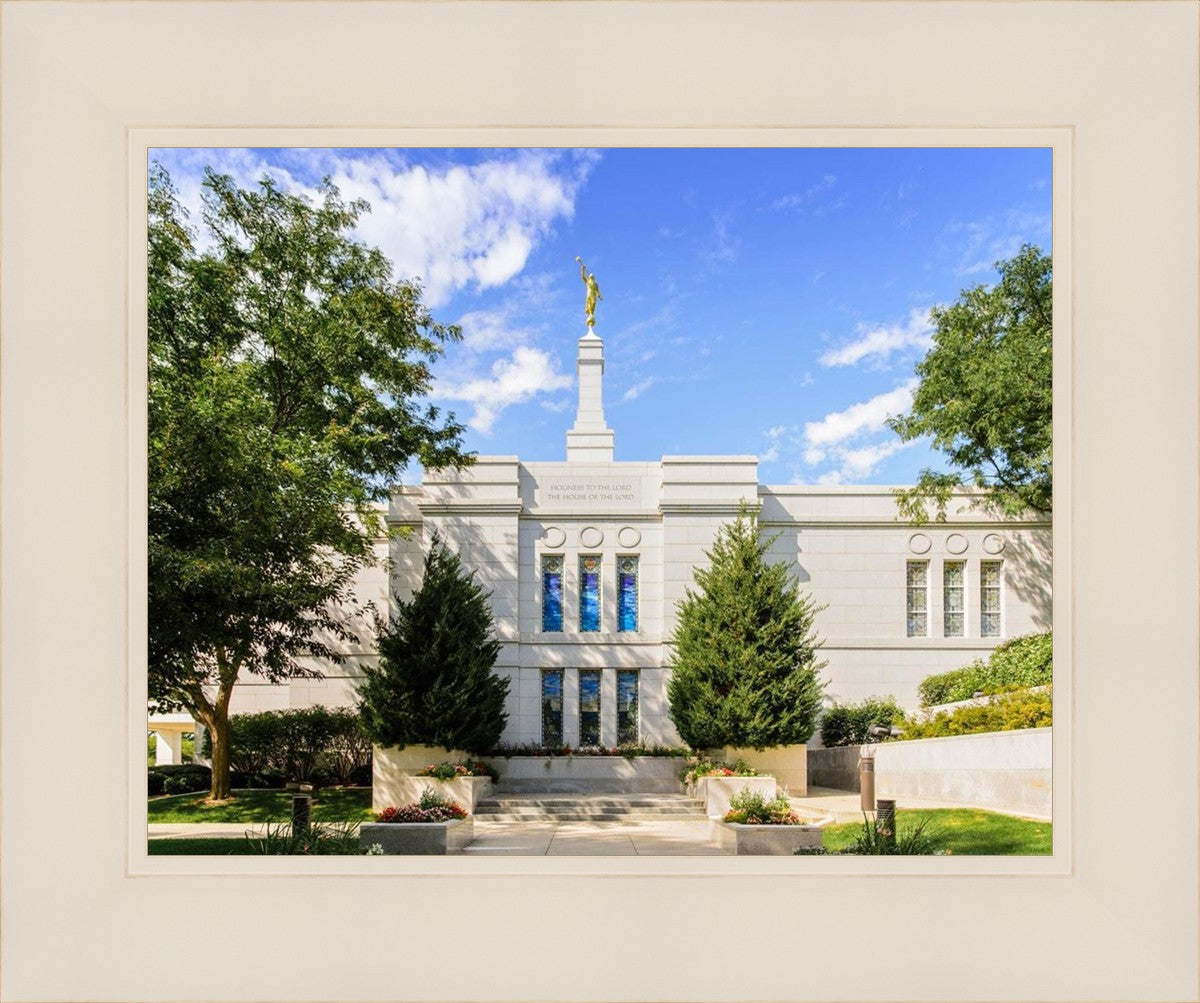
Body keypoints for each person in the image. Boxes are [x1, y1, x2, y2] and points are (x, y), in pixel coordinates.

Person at [575, 256, 602, 328]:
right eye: (591, 276)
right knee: (590, 303)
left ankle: (591, 314)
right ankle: (590, 313)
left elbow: (597, 291)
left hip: (593, 294)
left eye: (592, 277)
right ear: (589, 277)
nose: (591, 277)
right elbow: (582, 276)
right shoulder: (588, 282)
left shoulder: (595, 284)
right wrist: (583, 269)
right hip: (589, 293)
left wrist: (599, 295)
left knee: (593, 303)